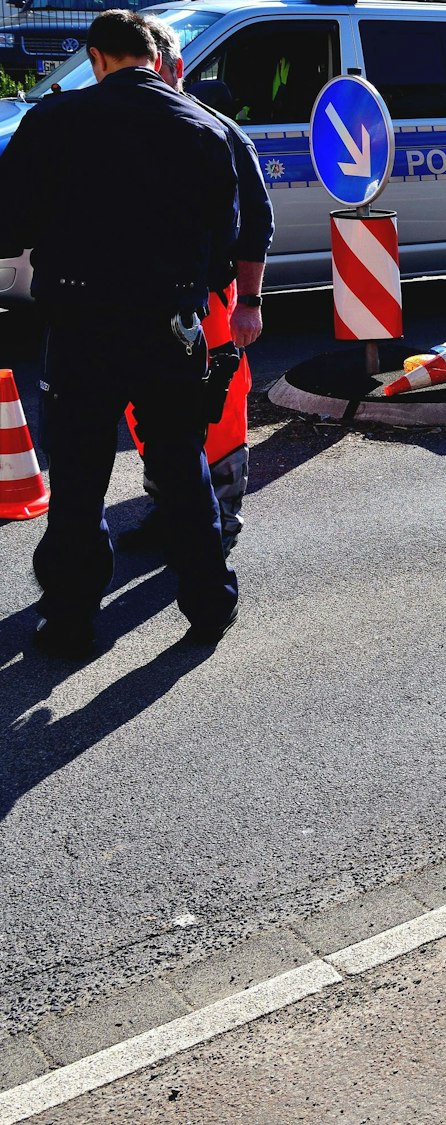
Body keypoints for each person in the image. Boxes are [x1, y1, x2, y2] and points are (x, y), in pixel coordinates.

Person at [0, 9, 240, 658]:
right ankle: (210, 606)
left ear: (97, 57)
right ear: (152, 58)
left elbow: (9, 226)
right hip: (171, 328)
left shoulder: (54, 121)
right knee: (180, 466)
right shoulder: (202, 128)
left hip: (81, 328)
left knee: (78, 480)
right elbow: (225, 250)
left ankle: (71, 623)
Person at [120, 13, 271, 558]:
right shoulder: (128, 130)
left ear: (170, 67)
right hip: (144, 302)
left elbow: (256, 224)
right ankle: (170, 508)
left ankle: (221, 517)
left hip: (208, 300)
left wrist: (249, 304)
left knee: (220, 411)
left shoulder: (218, 133)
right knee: (150, 414)